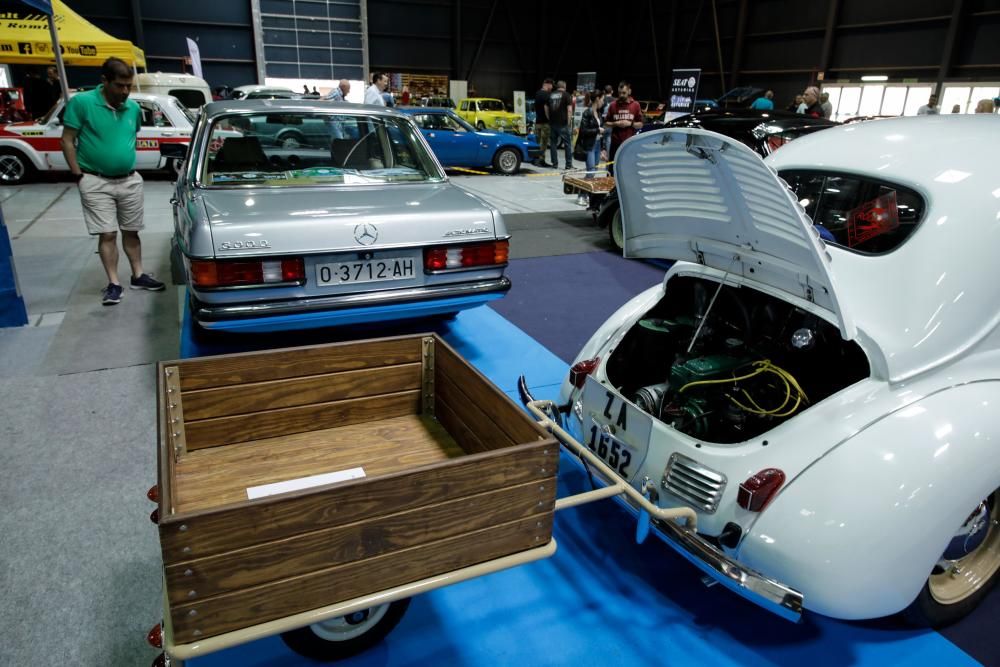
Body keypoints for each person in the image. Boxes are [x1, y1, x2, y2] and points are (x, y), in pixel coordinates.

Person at [59, 57, 165, 306]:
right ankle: (114, 283)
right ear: (104, 81)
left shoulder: (133, 108)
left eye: (129, 85)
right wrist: (78, 174)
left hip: (129, 180)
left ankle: (138, 275)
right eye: (119, 85)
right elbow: (67, 140)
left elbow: (130, 135)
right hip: (95, 180)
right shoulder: (82, 103)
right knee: (107, 233)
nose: (125, 91)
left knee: (132, 230)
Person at [604, 81, 643, 173]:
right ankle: (612, 187)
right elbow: (606, 123)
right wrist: (615, 124)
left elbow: (641, 124)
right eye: (620, 93)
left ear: (629, 91)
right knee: (613, 169)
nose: (621, 95)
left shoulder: (635, 105)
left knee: (628, 170)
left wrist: (630, 124)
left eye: (624, 93)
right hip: (615, 143)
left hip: (629, 144)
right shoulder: (613, 105)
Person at [576, 90, 605, 205]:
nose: (603, 102)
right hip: (589, 146)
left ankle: (587, 194)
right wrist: (597, 130)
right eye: (602, 99)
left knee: (594, 170)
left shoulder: (598, 112)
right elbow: (583, 131)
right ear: (597, 99)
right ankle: (581, 195)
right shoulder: (587, 113)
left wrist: (602, 148)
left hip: (597, 145)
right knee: (591, 171)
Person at [546, 80, 572, 169]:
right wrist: (568, 122)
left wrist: (549, 117)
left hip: (553, 123)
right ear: (564, 87)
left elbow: (546, 107)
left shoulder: (551, 95)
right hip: (563, 123)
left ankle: (554, 164)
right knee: (567, 144)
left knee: (553, 144)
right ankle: (568, 165)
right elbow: (569, 109)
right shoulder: (566, 95)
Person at [533, 78, 553, 166]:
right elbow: (546, 107)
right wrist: (549, 118)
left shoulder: (537, 93)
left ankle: (535, 159)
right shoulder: (546, 94)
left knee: (537, 142)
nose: (552, 87)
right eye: (551, 85)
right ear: (547, 84)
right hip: (545, 123)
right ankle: (541, 160)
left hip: (537, 122)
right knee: (544, 142)